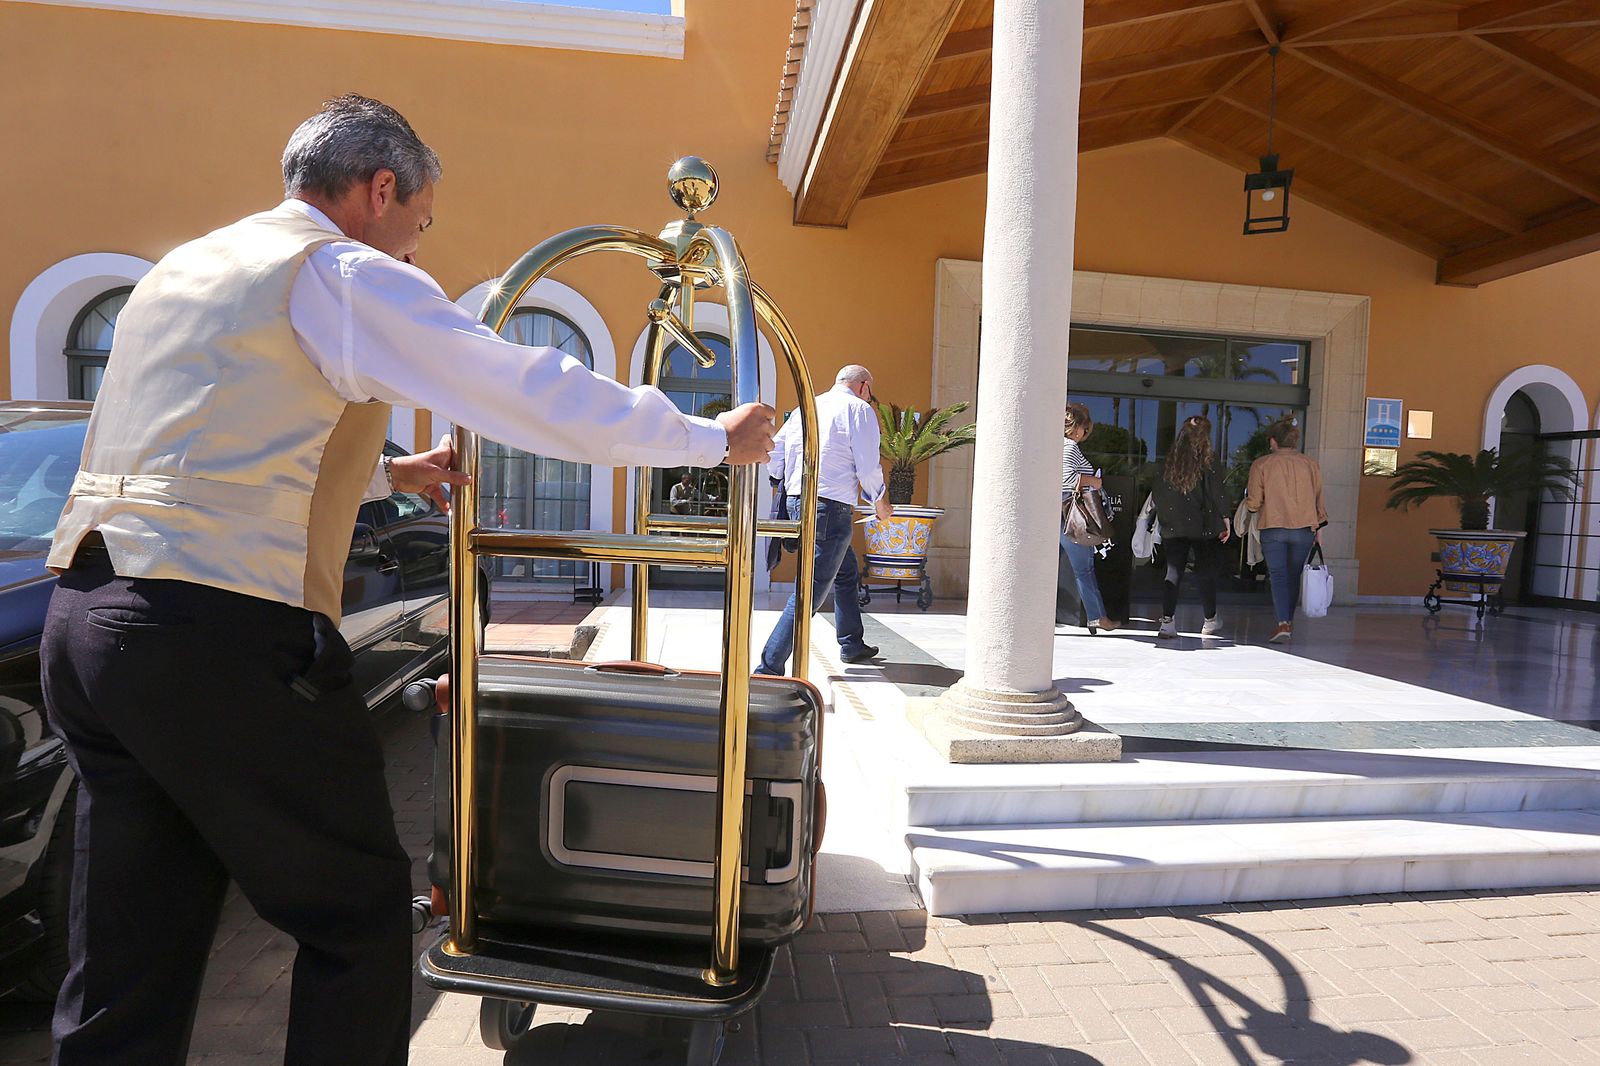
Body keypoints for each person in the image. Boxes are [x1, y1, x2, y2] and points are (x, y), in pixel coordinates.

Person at [39, 94, 776, 1066]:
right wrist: (703, 438)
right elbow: (513, 383)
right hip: (216, 630)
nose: (417, 249)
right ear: (379, 189)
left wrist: (391, 475)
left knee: (130, 939)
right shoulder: (338, 271)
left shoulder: (192, 268)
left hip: (88, 620)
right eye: (419, 222)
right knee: (355, 912)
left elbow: (205, 442)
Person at [757, 364, 894, 674]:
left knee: (845, 573)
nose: (869, 397)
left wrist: (787, 481)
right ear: (863, 386)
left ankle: (852, 644)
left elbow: (774, 455)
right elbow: (867, 465)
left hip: (798, 501)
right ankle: (769, 667)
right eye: (870, 392)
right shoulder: (859, 409)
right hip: (830, 508)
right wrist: (880, 502)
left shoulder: (805, 408)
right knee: (810, 591)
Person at [1245, 416, 1328, 643]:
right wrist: (1319, 526)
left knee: (1279, 576)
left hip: (1273, 526)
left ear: (1273, 441)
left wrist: (1248, 508)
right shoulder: (1310, 464)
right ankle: (1287, 622)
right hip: (1304, 528)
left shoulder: (1261, 464)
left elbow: (1254, 502)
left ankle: (1283, 622)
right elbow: (1319, 498)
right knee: (1293, 575)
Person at [1151, 414, 1231, 639]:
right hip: (1202, 526)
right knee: (1205, 572)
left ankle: (1167, 621)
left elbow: (1158, 492)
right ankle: (1210, 620)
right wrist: (1226, 518)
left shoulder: (1170, 461)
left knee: (1173, 571)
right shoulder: (1209, 461)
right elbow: (1217, 492)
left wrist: (1164, 518)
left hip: (1173, 525)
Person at [1057, 402, 1119, 635]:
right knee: (1084, 568)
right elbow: (1066, 481)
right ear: (1076, 427)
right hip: (1070, 514)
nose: (1085, 434)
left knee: (1077, 567)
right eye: (1085, 428)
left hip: (1059, 512)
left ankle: (1097, 616)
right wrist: (1095, 482)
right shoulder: (1070, 447)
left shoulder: (1056, 446)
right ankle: (1097, 617)